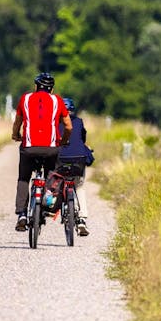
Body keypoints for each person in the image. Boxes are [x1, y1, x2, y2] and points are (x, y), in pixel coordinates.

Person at [11, 72, 71, 231]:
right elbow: (68, 126)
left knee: (24, 178)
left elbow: (18, 122)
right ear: (52, 89)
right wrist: (63, 140)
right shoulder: (57, 100)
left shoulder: (25, 98)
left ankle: (22, 214)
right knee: (51, 176)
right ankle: (47, 205)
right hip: (51, 149)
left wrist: (15, 135)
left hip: (29, 148)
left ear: (36, 86)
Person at [57, 97, 91, 236]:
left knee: (58, 181)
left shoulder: (55, 123)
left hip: (60, 158)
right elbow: (82, 139)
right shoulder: (79, 121)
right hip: (78, 159)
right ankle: (82, 219)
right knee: (79, 186)